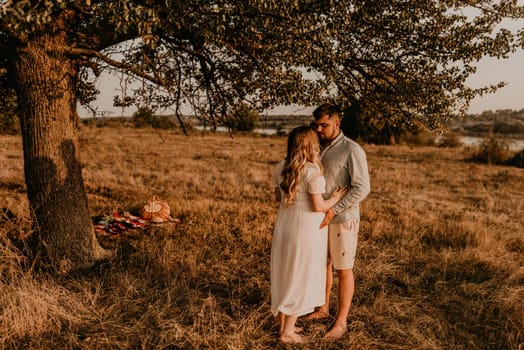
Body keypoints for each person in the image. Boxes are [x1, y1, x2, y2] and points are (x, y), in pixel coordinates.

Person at [271, 126, 348, 344]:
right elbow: (318, 206)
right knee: (300, 275)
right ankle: (287, 333)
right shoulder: (312, 172)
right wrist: (335, 198)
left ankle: (285, 325)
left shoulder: (280, 167)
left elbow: (280, 198)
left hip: (285, 224)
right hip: (305, 228)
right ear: (311, 145)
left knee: (286, 272)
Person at [304, 104, 370, 341]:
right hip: (320, 218)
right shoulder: (318, 147)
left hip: (343, 219)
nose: (319, 129)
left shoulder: (352, 150)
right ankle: (322, 309)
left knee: (343, 269)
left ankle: (341, 323)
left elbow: (362, 187)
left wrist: (335, 209)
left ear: (337, 123)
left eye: (324, 125)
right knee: (324, 265)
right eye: (317, 125)